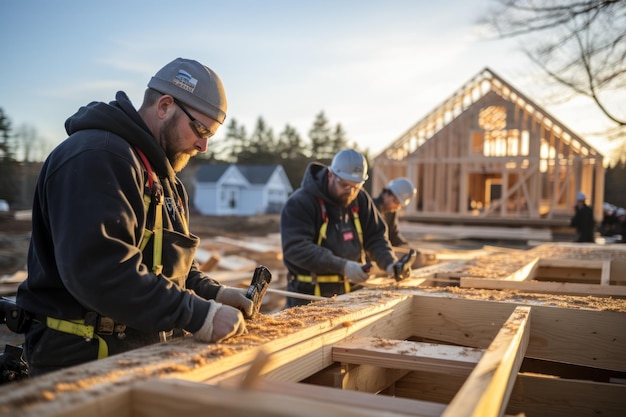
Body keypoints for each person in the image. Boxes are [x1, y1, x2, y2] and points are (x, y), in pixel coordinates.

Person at [15, 58, 252, 376]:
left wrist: (213, 293)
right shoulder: (97, 157)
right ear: (165, 106)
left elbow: (173, 267)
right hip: (83, 359)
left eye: (211, 134)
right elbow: (102, 272)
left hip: (136, 352)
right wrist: (198, 315)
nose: (204, 145)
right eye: (200, 129)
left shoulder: (165, 180)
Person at [280, 149, 404, 307]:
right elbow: (296, 248)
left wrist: (389, 263)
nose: (350, 191)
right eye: (344, 185)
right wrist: (342, 266)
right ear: (331, 174)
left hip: (351, 293)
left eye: (356, 186)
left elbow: (375, 236)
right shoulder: (301, 202)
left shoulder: (360, 199)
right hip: (309, 296)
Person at [372, 177, 416, 247]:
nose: (397, 207)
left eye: (400, 205)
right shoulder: (371, 208)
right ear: (387, 194)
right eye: (396, 202)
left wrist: (407, 247)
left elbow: (393, 235)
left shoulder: (391, 212)